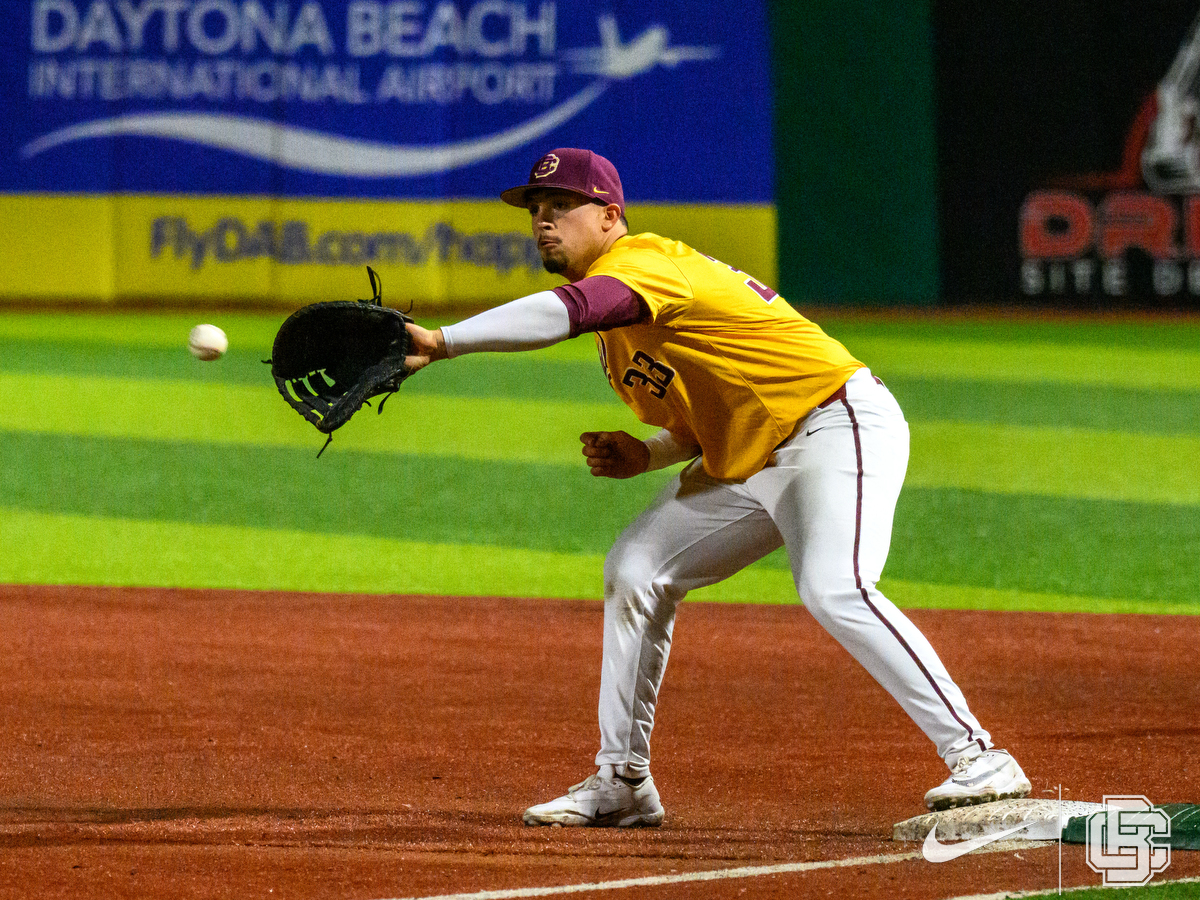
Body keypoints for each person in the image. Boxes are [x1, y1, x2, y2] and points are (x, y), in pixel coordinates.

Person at [404, 147, 1031, 826]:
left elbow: (575, 308)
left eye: (561, 206)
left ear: (611, 215)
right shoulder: (619, 339)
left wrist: (444, 341)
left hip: (831, 425)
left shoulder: (644, 262)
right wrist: (644, 454)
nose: (543, 222)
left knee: (835, 586)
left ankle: (980, 756)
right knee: (637, 569)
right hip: (752, 458)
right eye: (536, 210)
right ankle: (621, 780)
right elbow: (699, 422)